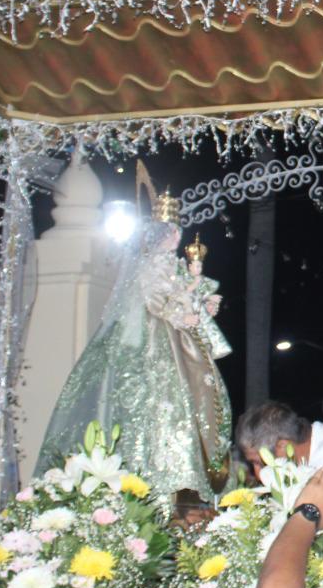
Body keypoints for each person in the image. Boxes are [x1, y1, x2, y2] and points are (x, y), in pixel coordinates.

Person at [36, 205, 233, 507]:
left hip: (178, 338)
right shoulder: (151, 264)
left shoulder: (174, 264)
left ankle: (188, 481)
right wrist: (183, 314)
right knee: (157, 397)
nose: (176, 240)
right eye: (171, 234)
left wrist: (199, 301)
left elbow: (181, 294)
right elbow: (156, 300)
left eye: (177, 234)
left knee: (192, 395)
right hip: (158, 336)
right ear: (158, 237)